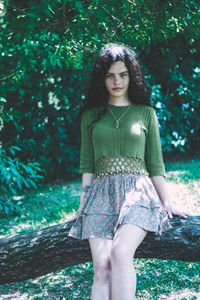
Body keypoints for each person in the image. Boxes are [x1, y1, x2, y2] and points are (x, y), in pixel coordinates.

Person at [68, 43, 189, 300]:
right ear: (102, 79)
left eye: (123, 74)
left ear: (131, 77)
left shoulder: (146, 114)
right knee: (101, 267)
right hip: (100, 195)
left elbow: (155, 165)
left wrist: (167, 202)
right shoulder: (90, 116)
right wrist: (83, 202)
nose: (117, 81)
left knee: (120, 253)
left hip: (138, 194)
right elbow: (88, 165)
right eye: (110, 75)